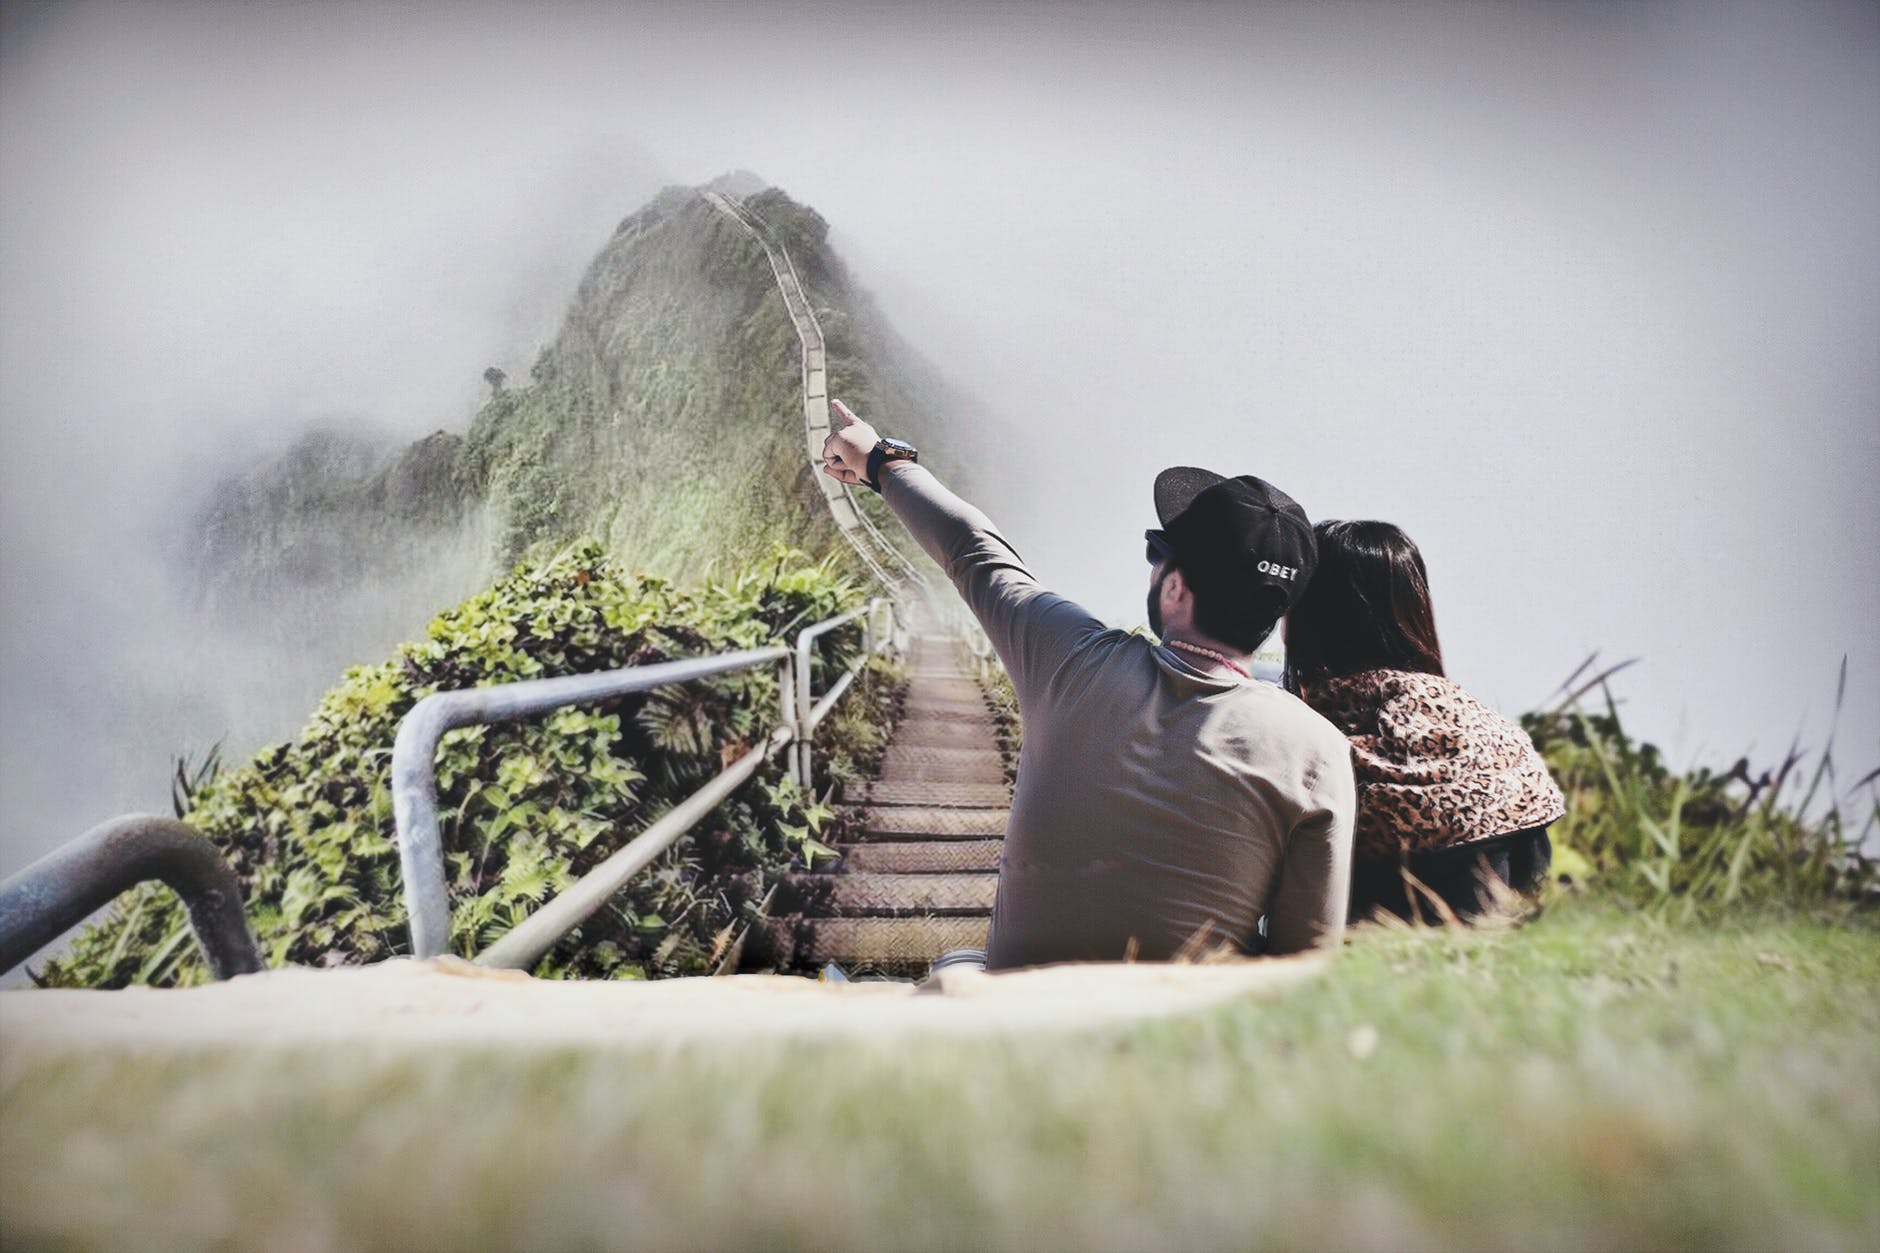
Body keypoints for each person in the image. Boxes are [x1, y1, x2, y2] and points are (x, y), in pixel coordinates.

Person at [820, 400, 1356, 969]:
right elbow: (1306, 963)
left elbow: (973, 548)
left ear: (1175, 590)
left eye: (1159, 556)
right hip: (1182, 1042)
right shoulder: (1318, 753)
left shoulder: (1071, 661)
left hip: (1020, 1015)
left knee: (955, 966)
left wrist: (881, 461)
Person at [1284, 520, 1565, 923]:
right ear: (1417, 609)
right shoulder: (1498, 744)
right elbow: (1533, 887)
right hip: (1483, 973)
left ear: (1308, 616)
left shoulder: (1293, 739)